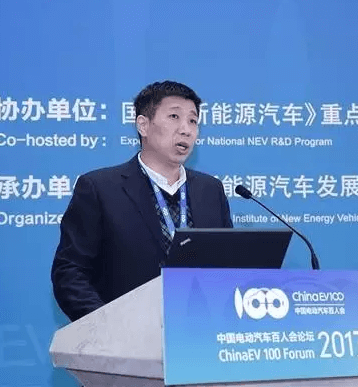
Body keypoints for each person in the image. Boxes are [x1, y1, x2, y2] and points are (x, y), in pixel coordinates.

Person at [51, 80, 233, 322]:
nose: (186, 130)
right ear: (143, 125)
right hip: (124, 336)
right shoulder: (100, 188)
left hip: (198, 334)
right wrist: (107, 324)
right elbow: (70, 273)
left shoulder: (210, 190)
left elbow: (228, 266)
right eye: (174, 117)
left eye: (193, 121)